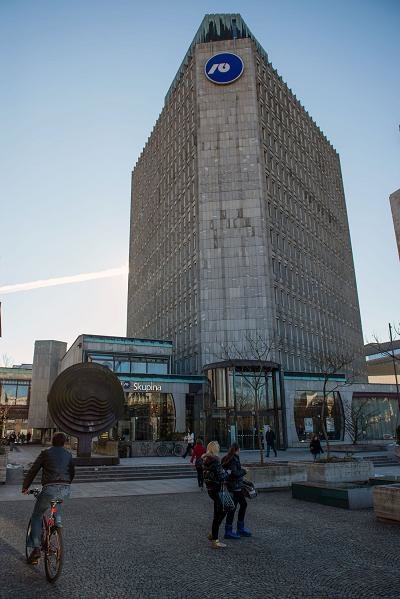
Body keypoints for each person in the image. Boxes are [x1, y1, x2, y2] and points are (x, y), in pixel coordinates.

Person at [22, 432, 75, 564]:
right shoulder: (68, 455)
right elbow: (72, 472)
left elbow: (33, 470)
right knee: (57, 503)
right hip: (65, 489)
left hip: (49, 488)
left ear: (52, 441)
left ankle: (36, 548)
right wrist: (66, 483)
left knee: (37, 515)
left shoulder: (45, 453)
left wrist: (25, 486)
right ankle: (58, 522)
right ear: (64, 443)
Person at [221, 442, 251, 539]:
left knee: (242, 504)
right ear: (238, 449)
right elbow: (234, 473)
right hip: (235, 487)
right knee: (233, 507)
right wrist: (244, 471)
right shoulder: (233, 459)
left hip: (235, 486)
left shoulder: (229, 457)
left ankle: (239, 528)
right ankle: (229, 531)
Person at [203, 441, 229, 549]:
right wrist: (227, 473)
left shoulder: (206, 460)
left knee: (217, 513)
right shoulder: (216, 461)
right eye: (217, 447)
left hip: (211, 490)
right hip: (217, 490)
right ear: (215, 449)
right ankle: (215, 540)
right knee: (223, 511)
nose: (219, 448)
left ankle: (213, 534)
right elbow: (222, 476)